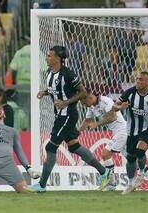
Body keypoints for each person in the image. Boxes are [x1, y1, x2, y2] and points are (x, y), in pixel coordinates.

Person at [29, 46, 111, 192]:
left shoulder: (68, 74)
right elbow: (55, 89)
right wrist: (45, 92)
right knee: (74, 146)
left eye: (49, 55)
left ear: (58, 58)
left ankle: (41, 185)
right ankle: (104, 172)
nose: (47, 57)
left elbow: (83, 91)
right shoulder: (49, 72)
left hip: (67, 115)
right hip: (60, 115)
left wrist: (65, 103)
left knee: (50, 147)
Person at [112, 71, 148, 194]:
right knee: (131, 158)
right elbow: (115, 106)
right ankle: (135, 182)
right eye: (137, 79)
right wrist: (120, 107)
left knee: (140, 151)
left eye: (141, 79)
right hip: (131, 130)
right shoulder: (130, 92)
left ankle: (142, 174)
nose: (138, 81)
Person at [79, 91, 128, 191]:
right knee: (131, 158)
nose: (84, 105)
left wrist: (97, 124)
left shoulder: (105, 101)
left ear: (90, 97)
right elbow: (87, 121)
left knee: (105, 153)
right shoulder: (91, 106)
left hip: (122, 130)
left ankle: (111, 183)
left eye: (84, 103)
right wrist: (76, 133)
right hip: (116, 132)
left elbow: (113, 116)